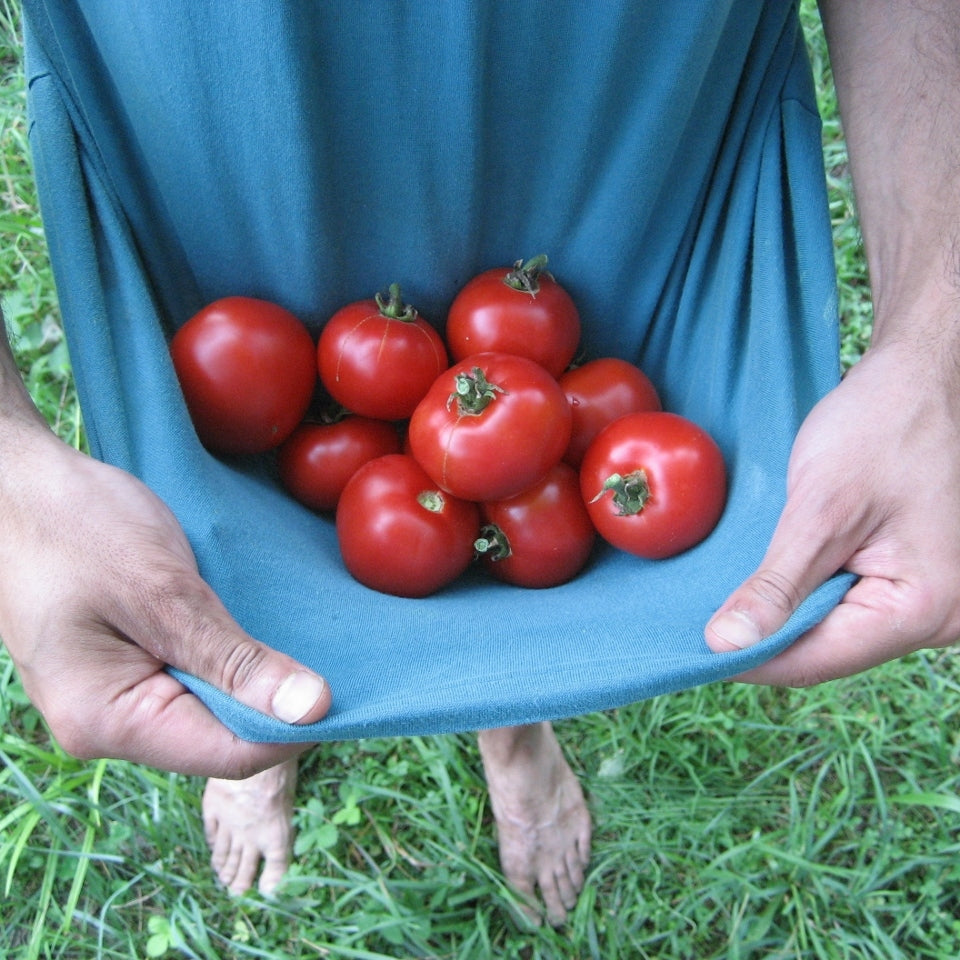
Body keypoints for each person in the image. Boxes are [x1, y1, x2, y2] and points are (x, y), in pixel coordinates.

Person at [3, 0, 959, 927]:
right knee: (234, 594)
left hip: (634, 146)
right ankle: (267, 740)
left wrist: (933, 348)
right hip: (210, 159)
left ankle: (512, 729)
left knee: (510, 616)